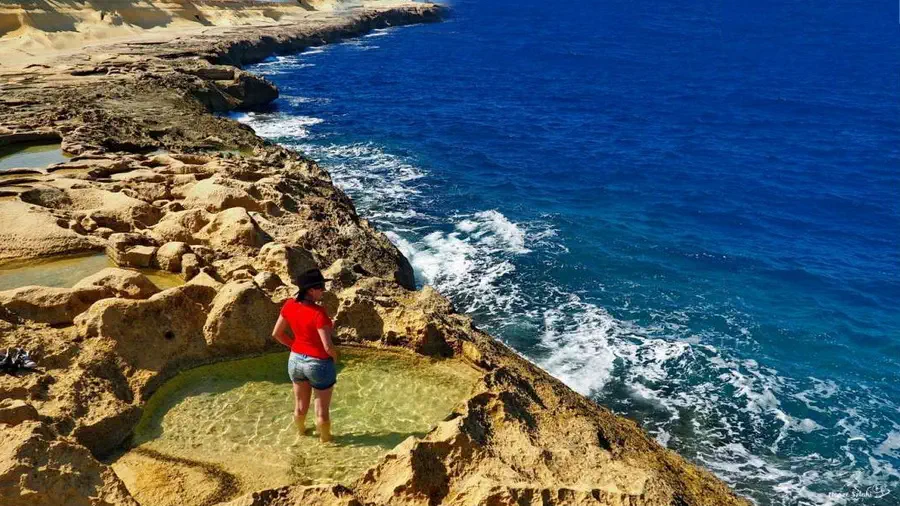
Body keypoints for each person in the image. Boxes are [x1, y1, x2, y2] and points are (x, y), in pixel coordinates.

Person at [271, 268, 339, 442]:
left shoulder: (289, 305)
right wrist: (334, 357)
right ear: (310, 290)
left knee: (300, 407)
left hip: (295, 360)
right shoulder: (319, 313)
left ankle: (301, 434)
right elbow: (327, 345)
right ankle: (326, 442)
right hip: (318, 363)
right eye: (320, 287)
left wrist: (295, 346)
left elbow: (277, 334)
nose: (323, 290)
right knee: (322, 411)